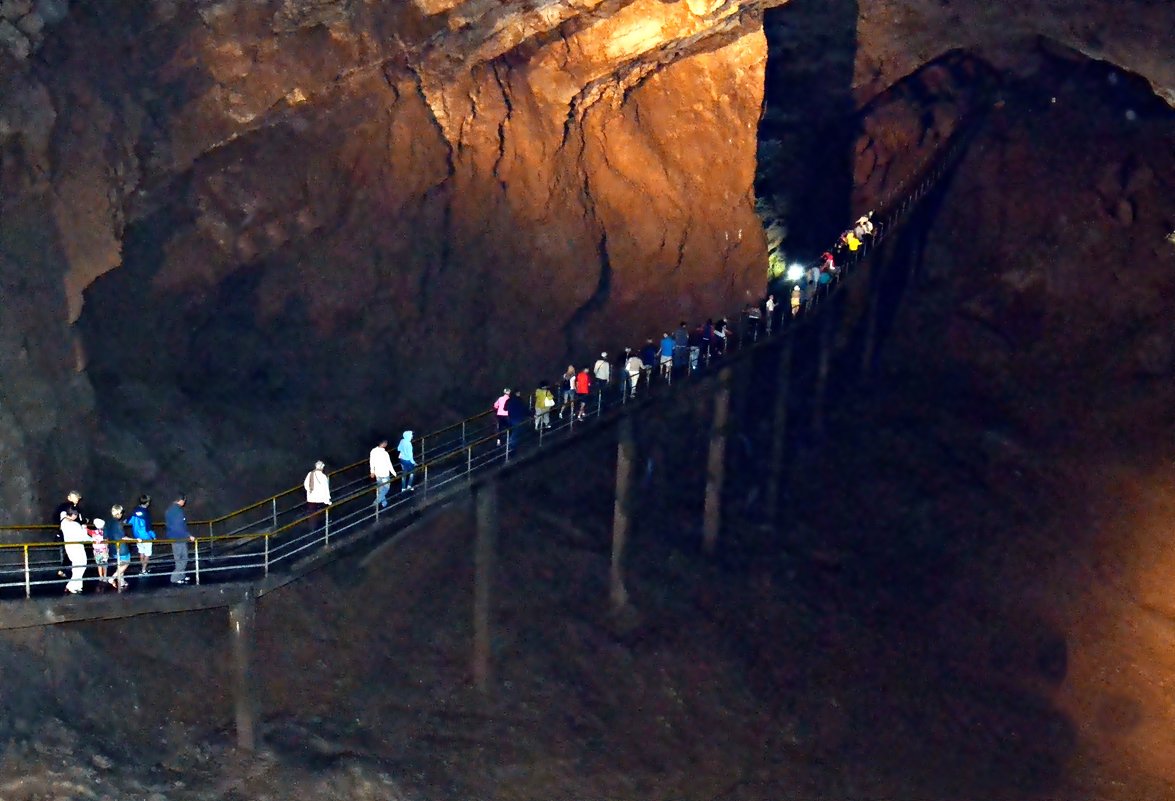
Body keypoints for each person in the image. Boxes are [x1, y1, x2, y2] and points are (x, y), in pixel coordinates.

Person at [60, 507, 91, 595]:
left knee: (76, 566)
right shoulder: (75, 525)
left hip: (69, 546)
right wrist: (85, 530)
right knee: (81, 565)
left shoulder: (63, 522)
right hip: (77, 547)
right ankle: (71, 585)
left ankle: (77, 585)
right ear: (73, 515)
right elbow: (83, 537)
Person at [166, 494, 194, 585]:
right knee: (181, 558)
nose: (184, 503)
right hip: (179, 537)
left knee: (182, 557)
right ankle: (174, 577)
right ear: (181, 500)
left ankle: (181, 575)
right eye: (184, 501)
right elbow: (179, 526)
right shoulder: (177, 511)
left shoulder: (170, 509)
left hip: (175, 536)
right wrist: (188, 535)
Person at [129, 494, 154, 575]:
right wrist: (153, 536)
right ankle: (144, 570)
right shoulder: (146, 512)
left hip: (137, 536)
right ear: (147, 502)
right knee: (147, 553)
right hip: (146, 536)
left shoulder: (135, 510)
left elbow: (128, 521)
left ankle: (142, 568)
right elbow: (148, 527)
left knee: (141, 552)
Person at [303, 460, 332, 530]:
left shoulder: (310, 474)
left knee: (312, 513)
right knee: (321, 513)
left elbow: (305, 484)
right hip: (320, 499)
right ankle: (320, 528)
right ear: (322, 467)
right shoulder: (323, 476)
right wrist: (328, 500)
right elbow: (326, 489)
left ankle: (312, 527)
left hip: (311, 499)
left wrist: (310, 491)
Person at [109, 505, 132, 591]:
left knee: (120, 564)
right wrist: (136, 539)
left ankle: (121, 581)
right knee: (125, 563)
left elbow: (106, 535)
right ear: (119, 513)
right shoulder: (118, 524)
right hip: (121, 548)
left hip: (113, 547)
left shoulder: (109, 522)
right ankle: (112, 577)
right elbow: (122, 537)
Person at [369, 439, 397, 508]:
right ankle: (376, 502)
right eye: (386, 443)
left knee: (381, 489)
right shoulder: (385, 454)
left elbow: (371, 462)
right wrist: (394, 473)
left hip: (378, 473)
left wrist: (372, 471)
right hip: (385, 474)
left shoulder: (373, 451)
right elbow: (389, 464)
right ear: (384, 444)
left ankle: (384, 503)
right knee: (386, 488)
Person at [91, 518, 110, 587]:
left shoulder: (93, 532)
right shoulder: (105, 532)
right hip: (104, 549)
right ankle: (105, 576)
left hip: (96, 550)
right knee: (105, 564)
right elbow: (107, 541)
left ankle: (101, 576)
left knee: (99, 564)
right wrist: (107, 548)